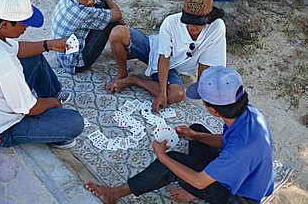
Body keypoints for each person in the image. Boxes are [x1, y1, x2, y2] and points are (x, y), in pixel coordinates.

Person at [86, 66, 274, 204]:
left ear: (214, 111)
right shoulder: (248, 112)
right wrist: (193, 136)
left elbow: (200, 181)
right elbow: (226, 140)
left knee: (173, 162)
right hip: (244, 173)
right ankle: (195, 179)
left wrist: (162, 156)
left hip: (240, 198)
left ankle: (116, 193)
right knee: (197, 129)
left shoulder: (239, 152)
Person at [0, 0, 84, 149]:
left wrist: (48, 44)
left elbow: (17, 49)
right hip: (2, 130)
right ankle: (55, 127)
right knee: (74, 122)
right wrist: (52, 103)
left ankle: (52, 97)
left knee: (34, 53)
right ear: (5, 24)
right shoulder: (3, 64)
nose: (26, 27)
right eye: (23, 24)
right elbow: (29, 109)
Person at [105, 0, 226, 112]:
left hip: (171, 68)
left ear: (209, 17)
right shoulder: (170, 22)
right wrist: (162, 92)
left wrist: (203, 91)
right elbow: (163, 58)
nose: (192, 27)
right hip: (153, 48)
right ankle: (122, 73)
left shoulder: (217, 27)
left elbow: (206, 61)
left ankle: (135, 79)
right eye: (188, 21)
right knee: (117, 32)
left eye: (197, 23)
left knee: (176, 95)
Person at [51, 0, 123, 74]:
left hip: (63, 58)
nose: (90, 1)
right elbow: (117, 14)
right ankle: (125, 49)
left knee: (102, 7)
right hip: (76, 63)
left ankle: (124, 43)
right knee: (110, 22)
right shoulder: (80, 12)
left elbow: (97, 3)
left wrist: (103, 3)